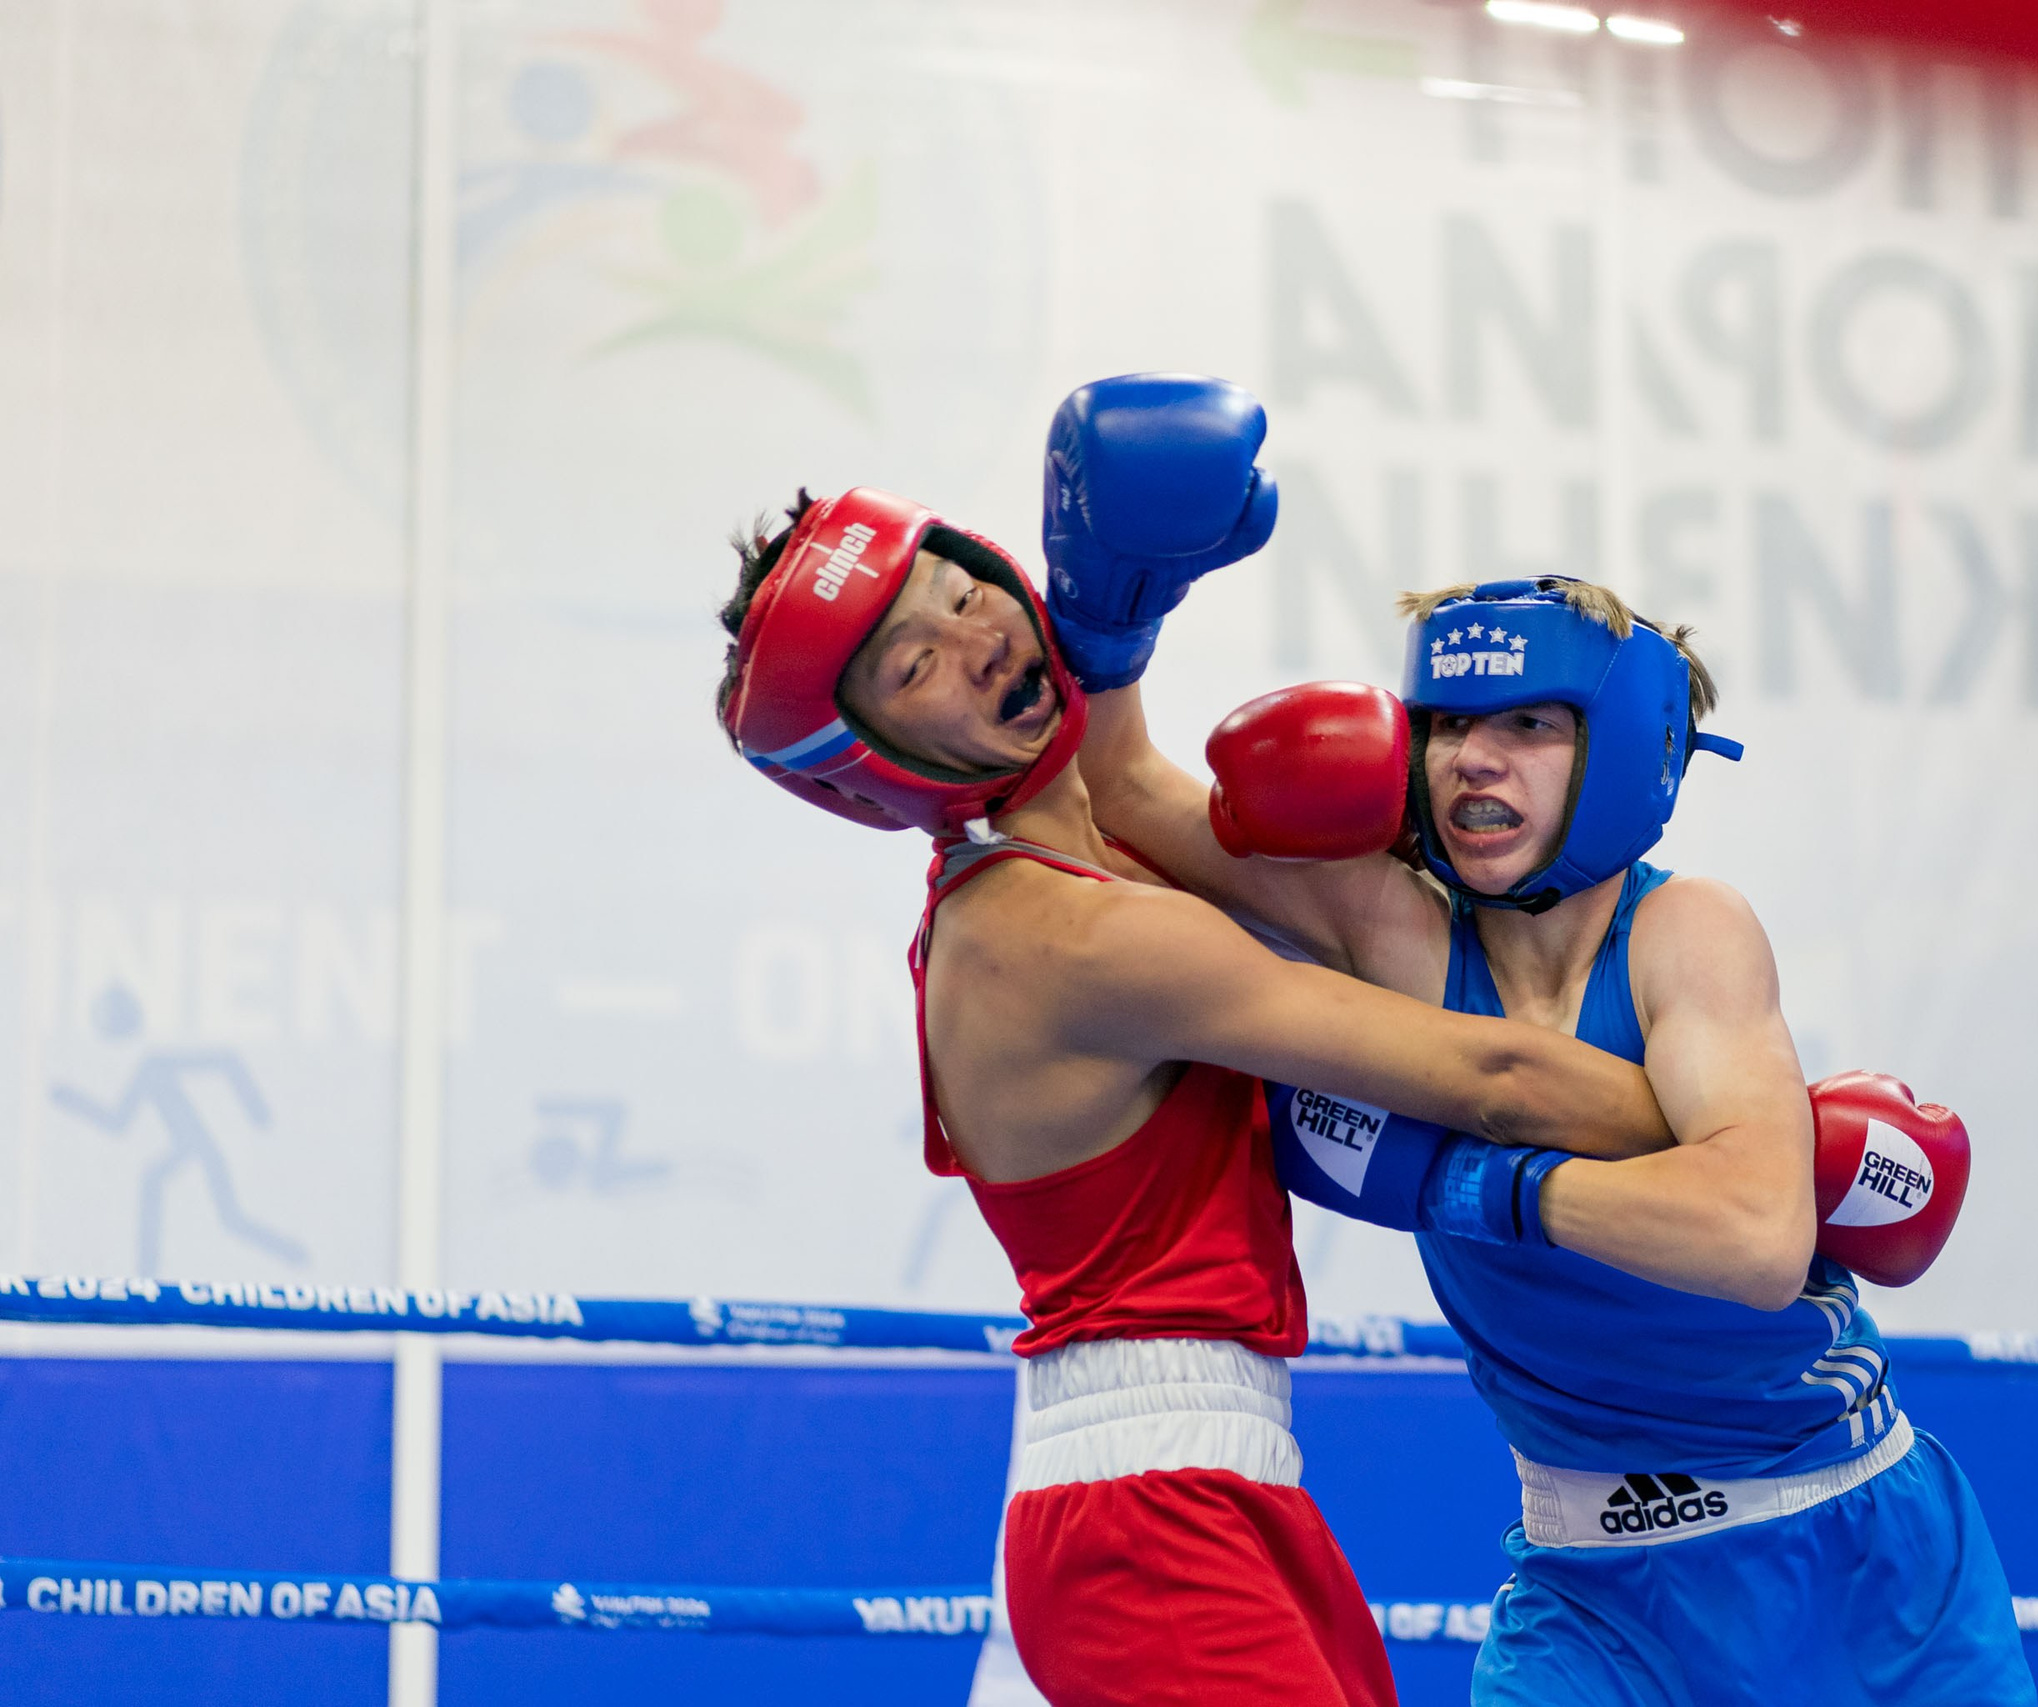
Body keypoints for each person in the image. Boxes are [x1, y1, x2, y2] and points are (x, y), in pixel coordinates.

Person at [1061, 373, 2034, 1704]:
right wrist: (1110, 611)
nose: (1474, 759)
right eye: (1454, 722)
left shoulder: (1687, 933)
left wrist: (1471, 1183)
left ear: (1622, 748)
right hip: (1593, 1596)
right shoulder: (1394, 932)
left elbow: (1754, 1235)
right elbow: (1120, 794)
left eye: (1529, 724)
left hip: (1856, 1560)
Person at [712, 474, 1696, 1707]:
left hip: (1207, 1478)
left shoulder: (1089, 861)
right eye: (916, 668)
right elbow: (1487, 1075)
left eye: (968, 595)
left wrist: (1119, 630)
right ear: (875, 760)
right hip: (1147, 1515)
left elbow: (1126, 778)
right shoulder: (1059, 935)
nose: (980, 645)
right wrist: (1757, 1148)